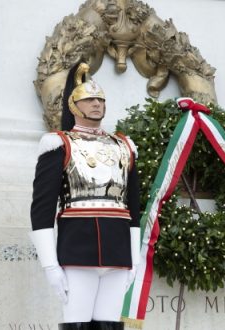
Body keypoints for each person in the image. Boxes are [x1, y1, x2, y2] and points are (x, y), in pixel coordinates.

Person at [29, 62, 141, 330]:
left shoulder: (123, 146)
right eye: (89, 99)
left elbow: (134, 207)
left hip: (117, 250)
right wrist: (50, 265)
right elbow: (42, 209)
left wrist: (134, 259)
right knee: (77, 322)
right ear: (73, 105)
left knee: (110, 323)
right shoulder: (59, 144)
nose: (96, 104)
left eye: (100, 99)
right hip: (78, 248)